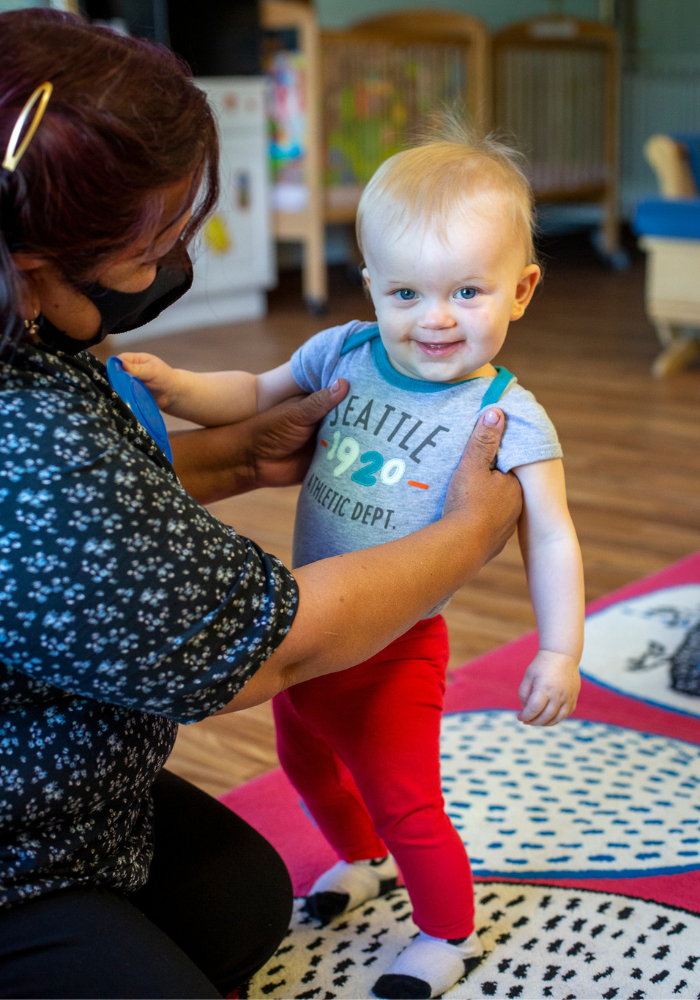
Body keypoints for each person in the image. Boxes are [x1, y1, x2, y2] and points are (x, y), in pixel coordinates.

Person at [0, 12, 522, 1000]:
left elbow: (75, 529)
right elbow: (264, 650)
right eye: (155, 240)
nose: (173, 261)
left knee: (244, 899)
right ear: (33, 265)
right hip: (20, 841)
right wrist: (466, 535)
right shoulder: (26, 441)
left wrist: (240, 455)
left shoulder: (42, 353)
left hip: (61, 799)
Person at [122, 124, 585, 1000]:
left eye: (467, 292)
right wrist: (181, 387)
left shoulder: (509, 415)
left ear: (521, 291)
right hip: (310, 627)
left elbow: (551, 533)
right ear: (370, 284)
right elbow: (257, 394)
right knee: (306, 767)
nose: (434, 318)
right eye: (405, 291)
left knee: (407, 799)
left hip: (395, 650)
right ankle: (358, 859)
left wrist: (559, 648)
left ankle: (447, 931)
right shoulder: (346, 350)